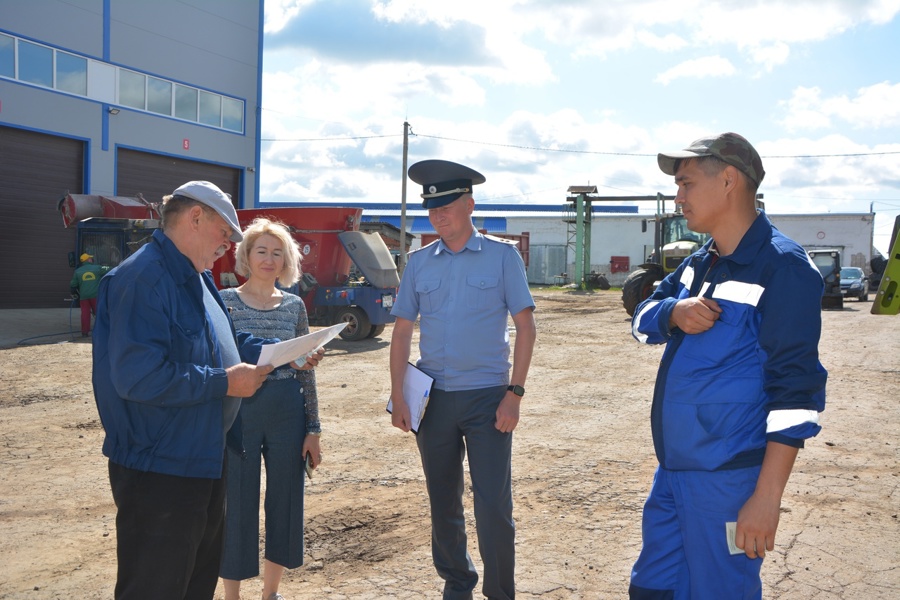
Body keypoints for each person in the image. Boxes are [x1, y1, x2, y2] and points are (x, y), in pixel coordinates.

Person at [92, 180, 317, 600]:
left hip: (202, 459)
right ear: (196, 218)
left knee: (195, 583)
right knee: (156, 587)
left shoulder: (194, 277)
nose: (227, 244)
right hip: (160, 469)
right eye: (224, 233)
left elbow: (226, 342)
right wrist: (227, 382)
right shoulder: (143, 279)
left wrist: (283, 355)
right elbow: (138, 377)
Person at [628, 133, 828, 599]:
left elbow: (795, 395)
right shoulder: (702, 261)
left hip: (729, 479)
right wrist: (673, 314)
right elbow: (640, 321)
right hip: (674, 470)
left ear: (730, 181)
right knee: (652, 590)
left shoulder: (783, 268)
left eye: (686, 184)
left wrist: (767, 498)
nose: (678, 198)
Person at [389, 159, 537, 600]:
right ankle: (457, 583)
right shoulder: (418, 263)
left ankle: (499, 592)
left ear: (469, 205)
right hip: (433, 402)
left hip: (489, 399)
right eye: (431, 208)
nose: (437, 215)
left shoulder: (502, 256)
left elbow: (526, 327)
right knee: (443, 503)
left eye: (447, 206)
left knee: (493, 506)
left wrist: (515, 393)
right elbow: (400, 332)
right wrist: (398, 396)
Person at [218, 218, 324, 600]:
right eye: (261, 250)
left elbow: (305, 371)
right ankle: (232, 595)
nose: (269, 258)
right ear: (245, 255)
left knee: (285, 498)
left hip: (287, 413)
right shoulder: (223, 301)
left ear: (287, 260)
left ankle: (270, 593)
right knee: (237, 503)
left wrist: (313, 427)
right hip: (240, 412)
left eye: (277, 252)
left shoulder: (295, 305)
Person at [70, 252, 108, 337]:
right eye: (90, 258)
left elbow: (73, 285)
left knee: (85, 314)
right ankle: (101, 330)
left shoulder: (77, 271)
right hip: (95, 295)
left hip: (84, 297)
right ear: (89, 260)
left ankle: (84, 332)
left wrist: (74, 293)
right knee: (99, 312)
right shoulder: (97, 268)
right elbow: (108, 269)